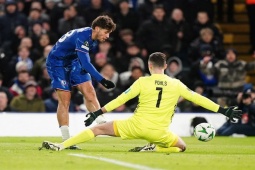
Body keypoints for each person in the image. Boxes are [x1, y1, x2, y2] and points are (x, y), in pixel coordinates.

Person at [40, 52, 242, 152]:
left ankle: (62, 145)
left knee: (97, 130)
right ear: (165, 66)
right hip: (160, 132)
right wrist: (223, 110)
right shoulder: (177, 84)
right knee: (181, 147)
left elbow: (121, 99)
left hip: (135, 127)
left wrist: (97, 113)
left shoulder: (142, 81)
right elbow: (199, 98)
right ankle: (153, 147)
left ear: (148, 65)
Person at [45, 15, 116, 149]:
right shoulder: (82, 37)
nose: (107, 36)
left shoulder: (92, 38)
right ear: (96, 28)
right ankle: (66, 139)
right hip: (57, 63)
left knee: (89, 91)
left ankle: (101, 122)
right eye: (106, 32)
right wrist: (102, 80)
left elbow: (82, 61)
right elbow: (86, 63)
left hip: (73, 61)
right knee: (65, 100)